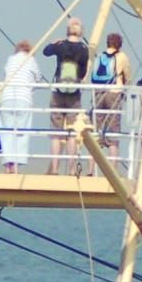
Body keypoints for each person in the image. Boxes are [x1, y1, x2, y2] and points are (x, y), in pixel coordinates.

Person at [42, 18, 91, 174]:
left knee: (56, 133)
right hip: (74, 93)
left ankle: (55, 168)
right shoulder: (84, 49)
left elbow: (45, 52)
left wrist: (53, 43)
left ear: (67, 30)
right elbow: (83, 73)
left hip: (58, 91)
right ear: (81, 31)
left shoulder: (61, 45)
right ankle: (71, 169)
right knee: (71, 132)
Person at [0, 40, 42, 172]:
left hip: (7, 97)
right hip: (24, 98)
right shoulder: (31, 60)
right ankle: (16, 164)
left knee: (6, 131)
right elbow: (38, 78)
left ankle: (7, 164)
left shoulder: (10, 60)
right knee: (21, 131)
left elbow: (6, 74)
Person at [90, 30, 132, 141]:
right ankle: (112, 158)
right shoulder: (122, 56)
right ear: (120, 44)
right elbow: (128, 76)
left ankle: (93, 157)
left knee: (96, 128)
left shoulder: (100, 55)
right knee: (113, 131)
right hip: (114, 93)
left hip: (98, 92)